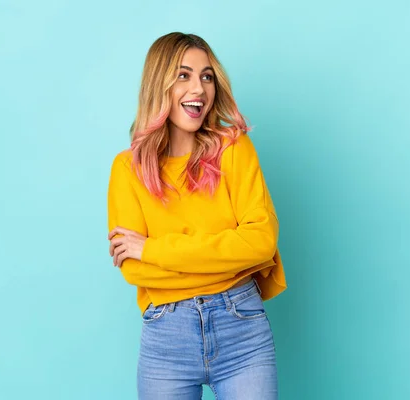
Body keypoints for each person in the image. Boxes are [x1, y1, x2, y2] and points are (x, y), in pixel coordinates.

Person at [107, 32, 287, 400]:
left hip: (242, 330)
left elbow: (260, 242)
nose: (199, 89)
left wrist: (153, 249)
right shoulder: (127, 169)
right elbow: (133, 268)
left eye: (207, 76)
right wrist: (226, 256)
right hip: (166, 340)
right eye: (184, 75)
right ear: (160, 84)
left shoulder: (234, 149)